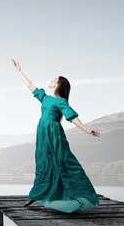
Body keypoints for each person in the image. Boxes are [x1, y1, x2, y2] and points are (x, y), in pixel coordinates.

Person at [12, 59, 100, 213]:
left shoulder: (61, 102)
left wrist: (86, 129)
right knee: (43, 162)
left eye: (55, 79)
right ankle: (38, 193)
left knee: (63, 161)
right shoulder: (45, 98)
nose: (52, 80)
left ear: (58, 85)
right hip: (42, 133)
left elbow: (72, 117)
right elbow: (30, 85)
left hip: (54, 134)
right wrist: (19, 71)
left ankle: (80, 194)